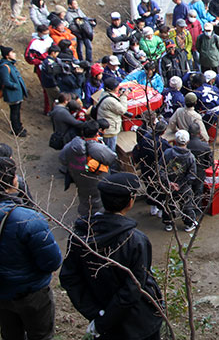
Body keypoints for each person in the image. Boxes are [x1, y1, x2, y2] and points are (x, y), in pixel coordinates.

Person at [60, 172, 164, 340]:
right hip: (138, 320)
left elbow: (69, 277)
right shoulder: (135, 240)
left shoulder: (80, 237)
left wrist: (96, 313)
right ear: (130, 201)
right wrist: (103, 318)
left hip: (103, 317)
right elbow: (134, 288)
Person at [0, 157, 63, 340]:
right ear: (13, 181)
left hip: (2, 291)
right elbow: (52, 261)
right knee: (41, 335)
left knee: (10, 334)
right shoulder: (28, 219)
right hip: (31, 292)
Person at [59, 120, 117, 217]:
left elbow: (62, 159)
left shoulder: (71, 146)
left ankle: (85, 217)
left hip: (78, 176)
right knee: (99, 200)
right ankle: (97, 220)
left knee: (84, 197)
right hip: (97, 177)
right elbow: (112, 157)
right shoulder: (97, 148)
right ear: (97, 132)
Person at [159, 130, 199, 232]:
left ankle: (168, 223)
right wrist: (180, 185)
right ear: (188, 141)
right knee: (186, 205)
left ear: (175, 141)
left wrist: (168, 182)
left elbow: (160, 169)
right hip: (183, 186)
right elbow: (192, 175)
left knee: (168, 204)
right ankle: (189, 224)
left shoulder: (168, 153)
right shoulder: (190, 157)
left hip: (168, 185)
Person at [94, 77, 128, 152]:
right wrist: (124, 96)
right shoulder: (109, 100)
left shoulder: (104, 93)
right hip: (110, 130)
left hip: (107, 125)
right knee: (110, 150)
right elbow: (122, 110)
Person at [0, 46, 28, 137]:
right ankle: (16, 130)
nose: (14, 54)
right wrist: (15, 86)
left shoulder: (10, 64)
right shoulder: (5, 67)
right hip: (12, 94)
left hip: (16, 94)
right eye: (12, 53)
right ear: (7, 56)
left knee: (17, 111)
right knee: (14, 113)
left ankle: (19, 127)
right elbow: (6, 81)